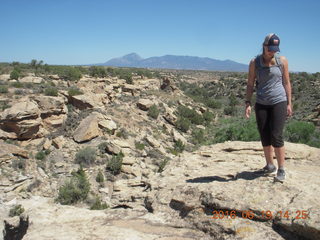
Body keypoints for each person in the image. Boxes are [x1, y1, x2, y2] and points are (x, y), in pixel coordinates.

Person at [245, 33, 292, 182]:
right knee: (264, 134)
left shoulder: (282, 61)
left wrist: (289, 103)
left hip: (279, 101)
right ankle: (269, 165)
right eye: (270, 48)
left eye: (275, 49)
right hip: (261, 102)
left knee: (276, 134)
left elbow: (286, 82)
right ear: (264, 46)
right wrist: (248, 102)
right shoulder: (255, 62)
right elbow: (250, 83)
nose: (273, 52)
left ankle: (281, 169)